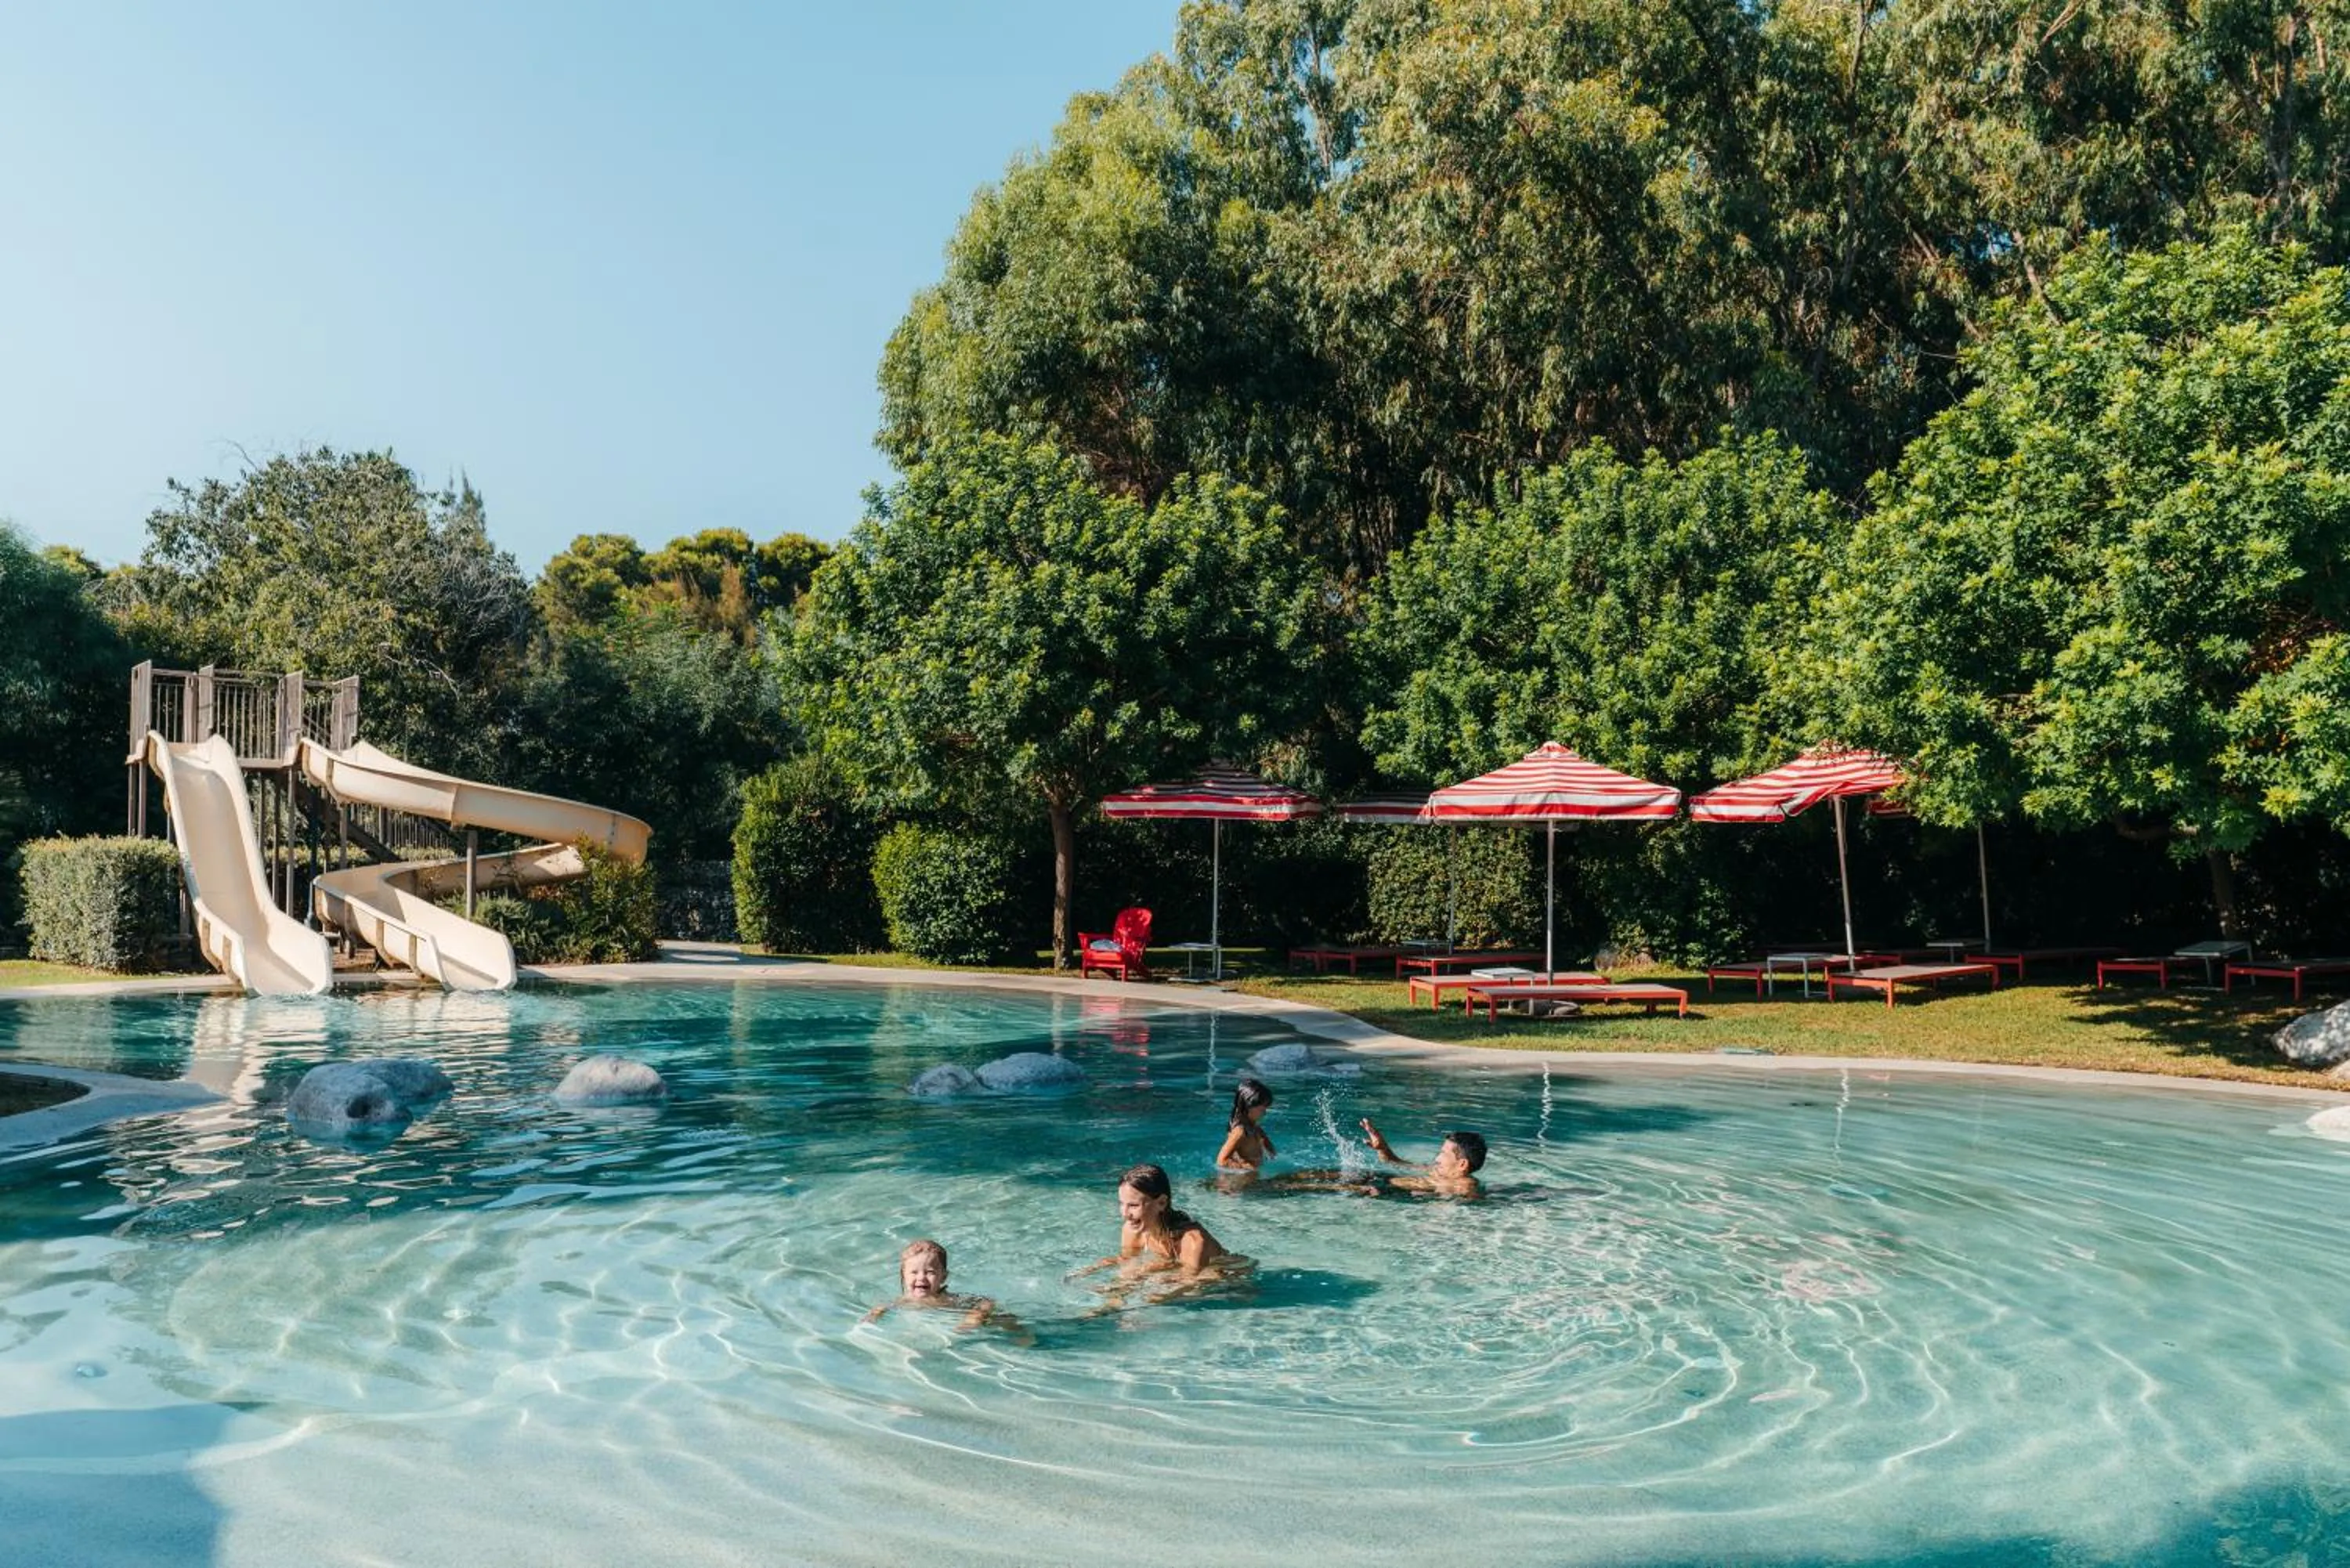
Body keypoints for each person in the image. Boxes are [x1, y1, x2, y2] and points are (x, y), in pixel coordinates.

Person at [1072, 1164, 1233, 1301]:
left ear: (1161, 1202)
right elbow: (1128, 1260)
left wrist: (1149, 1291)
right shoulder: (1132, 1229)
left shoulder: (1192, 1241)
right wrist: (1096, 1271)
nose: (1125, 1213)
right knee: (1132, 1278)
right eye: (1121, 1204)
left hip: (1230, 1281)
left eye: (1133, 1206)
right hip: (1182, 1270)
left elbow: (1191, 1283)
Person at [862, 1238, 1001, 1329]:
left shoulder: (948, 1300)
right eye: (914, 1272)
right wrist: (875, 1314)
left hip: (991, 1323)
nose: (921, 1278)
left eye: (930, 1272)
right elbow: (885, 1306)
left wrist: (974, 1317)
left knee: (1004, 1321)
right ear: (903, 1276)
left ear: (943, 1277)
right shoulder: (904, 1301)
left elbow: (988, 1302)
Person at [1360, 1118, 1487, 1198]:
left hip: (1388, 1192)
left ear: (1462, 1164)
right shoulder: (1437, 1170)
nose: (1437, 1158)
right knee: (1356, 1176)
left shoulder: (1465, 1187)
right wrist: (1383, 1149)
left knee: (1350, 1186)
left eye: (1443, 1153)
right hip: (1384, 1184)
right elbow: (1395, 1162)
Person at [1216, 1078, 1276, 1172]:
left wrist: (1270, 1151)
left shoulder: (1254, 1127)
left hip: (1253, 1178)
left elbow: (1270, 1149)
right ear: (1249, 1106)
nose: (1265, 1113)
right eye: (1262, 1109)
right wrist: (1249, 1168)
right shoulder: (1240, 1132)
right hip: (1240, 1182)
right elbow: (1221, 1161)